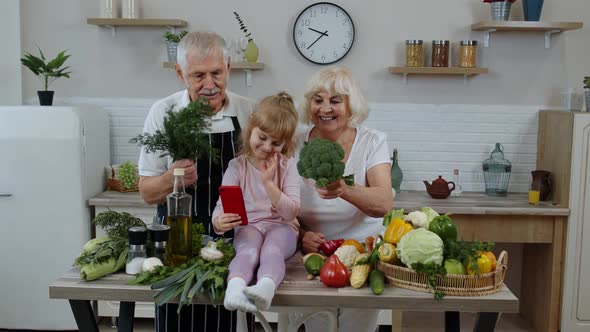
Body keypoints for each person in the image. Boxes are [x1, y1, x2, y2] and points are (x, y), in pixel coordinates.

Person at [137, 31, 256, 332]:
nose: (209, 85)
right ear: (180, 73)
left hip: (233, 244)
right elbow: (146, 192)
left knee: (231, 322)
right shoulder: (162, 113)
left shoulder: (248, 112)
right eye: (198, 75)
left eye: (216, 73)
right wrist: (171, 177)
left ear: (229, 66)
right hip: (177, 244)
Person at [296, 67, 394, 332]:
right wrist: (300, 235)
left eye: (335, 101)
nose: (325, 108)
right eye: (318, 100)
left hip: (361, 256)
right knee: (315, 325)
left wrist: (344, 189)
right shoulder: (294, 143)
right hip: (311, 256)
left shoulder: (373, 141)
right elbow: (278, 204)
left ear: (351, 106)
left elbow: (384, 202)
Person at [211, 92, 301, 313]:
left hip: (282, 228)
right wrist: (218, 221)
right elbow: (223, 206)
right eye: (262, 137)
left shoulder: (288, 166)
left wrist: (269, 184)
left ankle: (265, 289)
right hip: (249, 226)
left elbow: (291, 213)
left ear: (285, 143)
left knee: (271, 250)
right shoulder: (236, 167)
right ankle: (235, 289)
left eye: (276, 143)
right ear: (251, 126)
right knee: (248, 250)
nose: (267, 146)